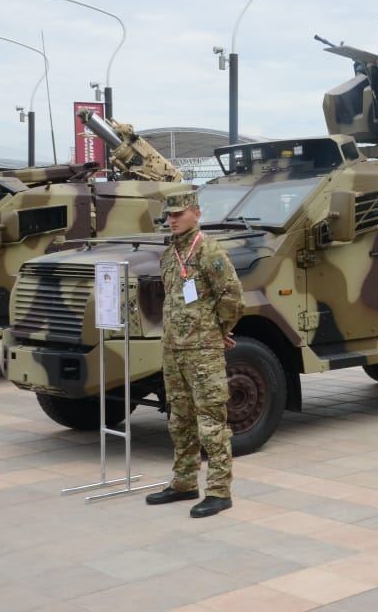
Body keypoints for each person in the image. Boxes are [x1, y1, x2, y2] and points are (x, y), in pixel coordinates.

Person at [144, 190, 243, 517]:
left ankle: (219, 490)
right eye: (169, 215)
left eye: (178, 213)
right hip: (175, 350)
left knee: (211, 422)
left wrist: (217, 330)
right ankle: (184, 482)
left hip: (202, 352)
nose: (172, 220)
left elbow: (231, 295)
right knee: (179, 419)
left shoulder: (208, 251)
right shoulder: (170, 255)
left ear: (196, 213)